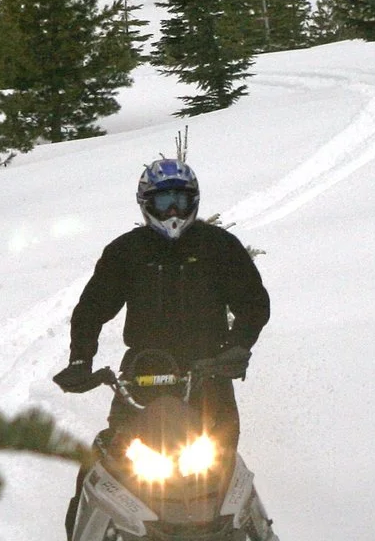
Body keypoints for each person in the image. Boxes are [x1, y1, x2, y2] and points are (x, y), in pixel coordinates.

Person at [54, 157, 269, 454]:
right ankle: (89, 487)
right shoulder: (126, 252)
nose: (173, 211)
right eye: (164, 202)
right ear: (147, 204)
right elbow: (91, 309)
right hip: (141, 373)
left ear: (193, 201)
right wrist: (80, 360)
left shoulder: (219, 246)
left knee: (222, 458)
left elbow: (253, 303)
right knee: (110, 454)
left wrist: (237, 346)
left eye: (180, 201)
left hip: (209, 372)